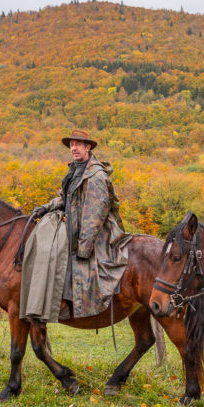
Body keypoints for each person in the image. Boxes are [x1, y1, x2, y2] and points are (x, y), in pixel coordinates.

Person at [25, 129, 127, 321]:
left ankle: (66, 304)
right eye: (71, 145)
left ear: (88, 147)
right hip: (75, 228)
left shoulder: (96, 176)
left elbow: (95, 215)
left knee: (62, 254)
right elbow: (64, 197)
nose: (73, 148)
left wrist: (84, 247)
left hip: (95, 233)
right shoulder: (75, 170)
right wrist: (45, 208)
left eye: (78, 144)